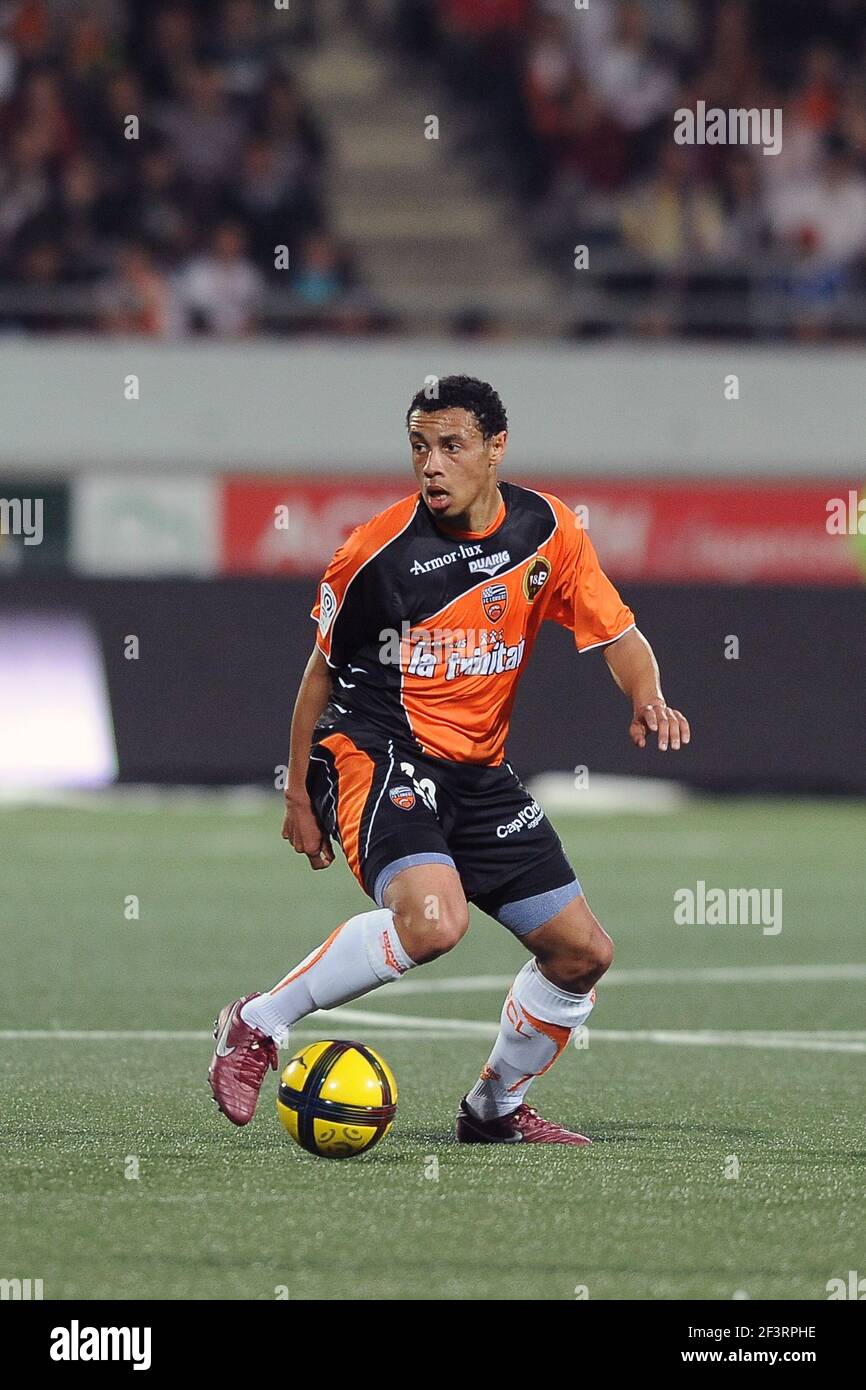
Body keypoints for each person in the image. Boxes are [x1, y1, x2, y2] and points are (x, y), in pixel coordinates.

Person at [208, 376, 690, 1144]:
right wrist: (299, 794)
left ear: (497, 448)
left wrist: (647, 695)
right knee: (434, 923)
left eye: (451, 446)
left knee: (581, 954)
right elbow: (319, 674)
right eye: (419, 447)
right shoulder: (376, 554)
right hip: (378, 752)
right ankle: (256, 1023)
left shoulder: (546, 530)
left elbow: (617, 632)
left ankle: (494, 1109)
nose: (431, 465)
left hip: (480, 775)